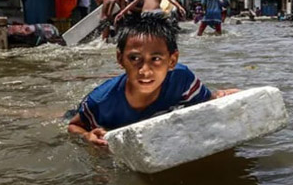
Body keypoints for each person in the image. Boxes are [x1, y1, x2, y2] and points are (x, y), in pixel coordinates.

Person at [67, 14, 240, 146]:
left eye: (156, 59)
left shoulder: (182, 80)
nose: (145, 71)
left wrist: (220, 97)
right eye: (134, 59)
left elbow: (203, 106)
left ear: (172, 60)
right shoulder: (100, 102)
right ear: (120, 59)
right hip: (91, 112)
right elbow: (73, 126)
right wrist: (86, 136)